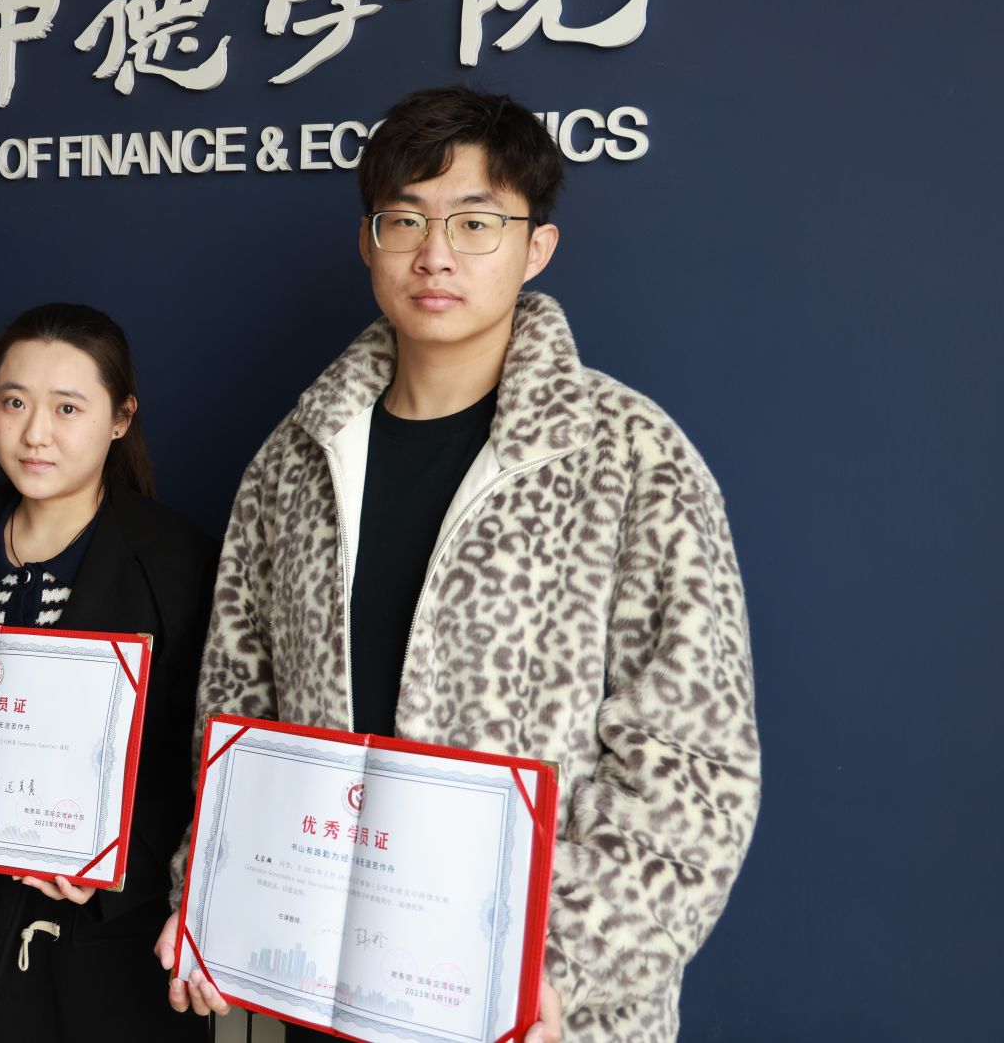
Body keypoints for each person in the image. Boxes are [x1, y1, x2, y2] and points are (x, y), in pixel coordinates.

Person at [155, 88, 760, 1043]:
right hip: (323, 990)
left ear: (536, 246)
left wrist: (553, 961)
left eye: (475, 223)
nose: (435, 254)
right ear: (368, 242)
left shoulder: (632, 456)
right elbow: (237, 710)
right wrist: (212, 891)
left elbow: (691, 764)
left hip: (536, 1012)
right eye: (405, 220)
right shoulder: (295, 460)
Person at [0, 303, 216, 1043]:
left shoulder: (176, 564)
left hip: (102, 942)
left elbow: (205, 757)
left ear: (120, 418)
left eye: (68, 408)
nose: (35, 433)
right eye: (14, 403)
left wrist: (121, 865)